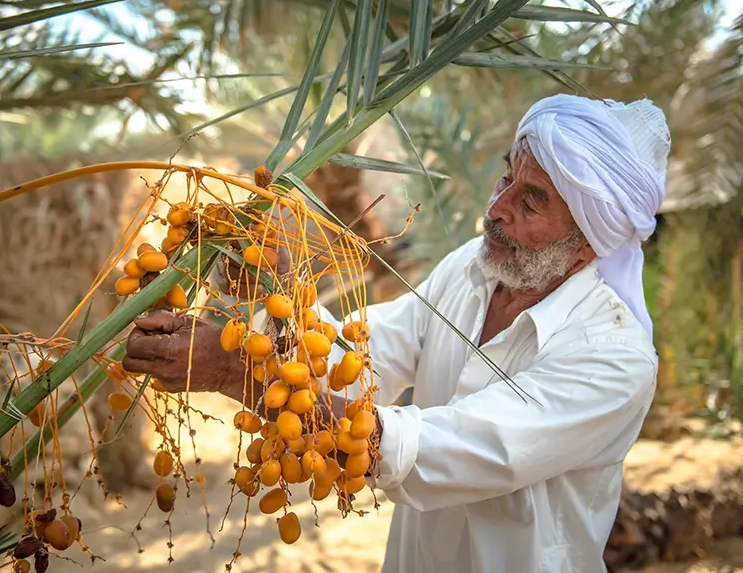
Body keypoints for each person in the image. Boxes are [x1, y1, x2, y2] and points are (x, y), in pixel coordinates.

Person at [122, 94, 671, 573]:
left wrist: (228, 370)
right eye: (507, 177)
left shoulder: (614, 359)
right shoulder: (471, 270)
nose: (497, 208)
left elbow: (432, 448)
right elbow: (357, 360)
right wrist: (275, 291)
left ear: (589, 242)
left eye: (532, 200)